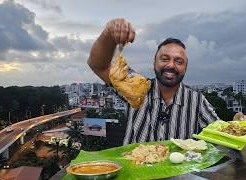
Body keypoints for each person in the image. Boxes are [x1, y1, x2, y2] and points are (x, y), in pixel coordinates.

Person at [88, 18, 222, 145]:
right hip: (136, 167)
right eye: (164, 59)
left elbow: (221, 134)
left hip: (179, 170)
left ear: (185, 68)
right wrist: (108, 34)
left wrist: (238, 122)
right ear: (154, 63)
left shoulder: (196, 100)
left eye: (178, 61)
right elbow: (98, 66)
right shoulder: (136, 87)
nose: (171, 65)